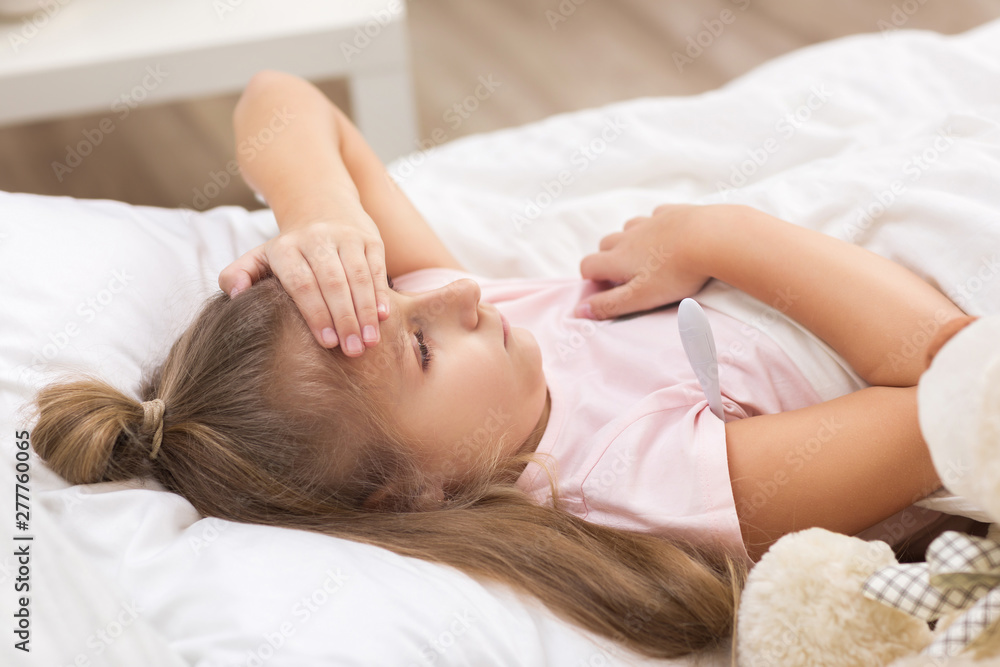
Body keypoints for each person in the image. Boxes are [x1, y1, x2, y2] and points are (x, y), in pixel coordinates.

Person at [27, 70, 963, 660]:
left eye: (399, 294)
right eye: (422, 343)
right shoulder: (648, 475)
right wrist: (725, 233)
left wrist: (322, 217)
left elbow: (282, 97)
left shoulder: (478, 350)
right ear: (409, 495)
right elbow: (962, 391)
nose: (454, 295)